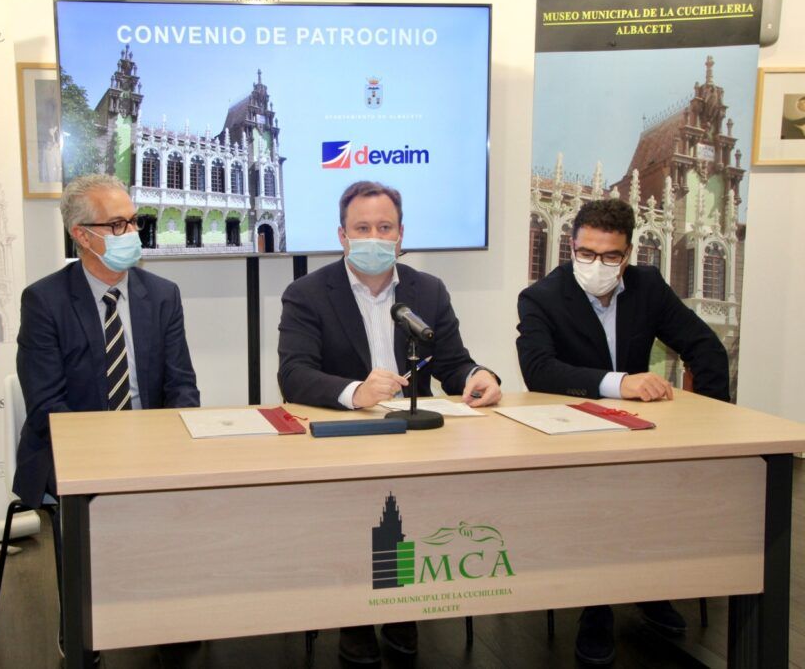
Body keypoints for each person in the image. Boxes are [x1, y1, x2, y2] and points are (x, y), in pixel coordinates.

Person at [278, 180, 501, 664]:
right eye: (362, 228)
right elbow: (293, 375)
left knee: (408, 515)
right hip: (345, 440)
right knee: (361, 515)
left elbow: (453, 364)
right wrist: (354, 392)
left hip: (413, 440)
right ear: (342, 235)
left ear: (401, 235)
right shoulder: (307, 293)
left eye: (385, 227)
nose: (374, 238)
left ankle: (402, 609)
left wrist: (479, 376)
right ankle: (356, 616)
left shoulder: (428, 290)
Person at [516, 197, 729, 665]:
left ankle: (647, 587)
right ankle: (597, 609)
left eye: (610, 256)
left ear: (628, 254)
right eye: (586, 253)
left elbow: (706, 349)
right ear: (572, 246)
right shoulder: (542, 297)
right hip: (574, 435)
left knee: (660, 491)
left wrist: (713, 426)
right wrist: (620, 382)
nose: (597, 265)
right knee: (601, 501)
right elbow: (539, 370)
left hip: (639, 433)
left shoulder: (647, 286)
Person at [13, 173, 199, 656]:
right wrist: (112, 454)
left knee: (190, 493)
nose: (132, 232)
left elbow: (182, 387)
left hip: (150, 442)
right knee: (89, 502)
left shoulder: (162, 294)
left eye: (133, 221)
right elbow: (46, 405)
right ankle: (83, 622)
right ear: (82, 235)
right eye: (117, 225)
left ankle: (169, 611)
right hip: (71, 449)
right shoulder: (45, 301)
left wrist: (166, 445)